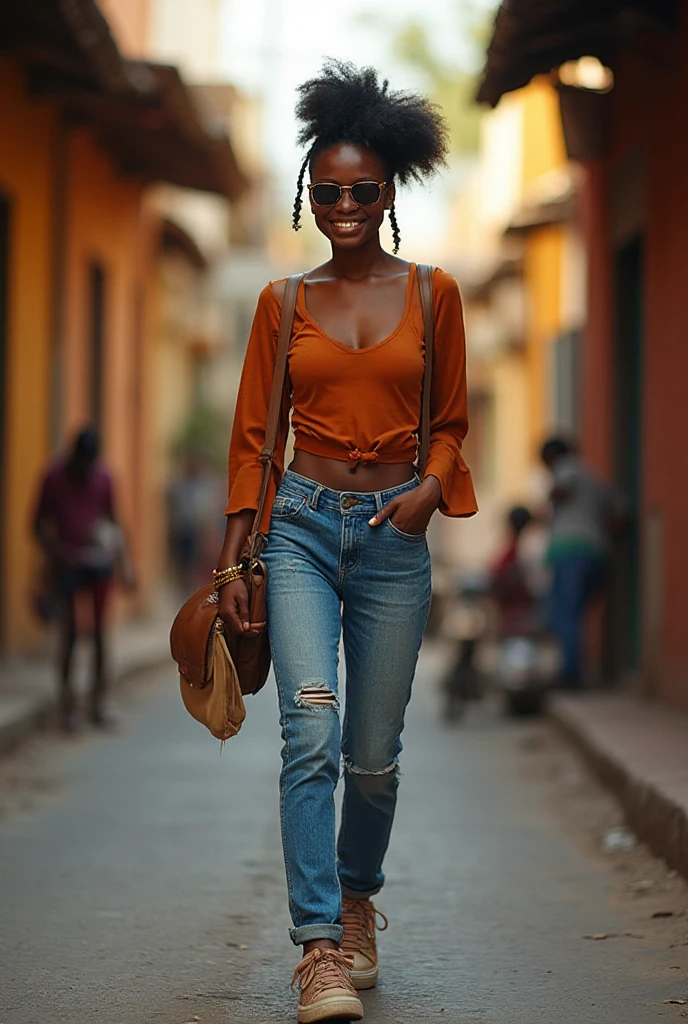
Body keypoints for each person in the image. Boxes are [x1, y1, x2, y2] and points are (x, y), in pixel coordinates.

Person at [216, 62, 477, 1023]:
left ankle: (359, 896)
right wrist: (234, 562)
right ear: (308, 194)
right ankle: (319, 948)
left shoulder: (435, 292)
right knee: (311, 732)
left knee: (372, 755)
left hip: (393, 539)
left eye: (364, 191)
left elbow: (451, 425)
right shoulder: (281, 304)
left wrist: (427, 494)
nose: (346, 207)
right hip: (300, 535)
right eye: (328, 192)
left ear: (391, 191)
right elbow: (254, 441)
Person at [33, 427, 131, 731]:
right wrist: (58, 554)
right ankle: (67, 706)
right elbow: (37, 524)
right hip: (67, 566)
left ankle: (99, 703)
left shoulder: (103, 478)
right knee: (71, 634)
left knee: (101, 632)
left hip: (98, 564)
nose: (84, 468)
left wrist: (124, 563)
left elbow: (114, 521)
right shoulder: (54, 477)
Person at [540, 436, 627, 688]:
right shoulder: (595, 478)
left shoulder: (566, 467)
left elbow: (560, 489)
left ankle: (571, 675)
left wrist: (551, 499)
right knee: (574, 616)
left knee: (565, 615)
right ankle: (577, 669)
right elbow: (621, 510)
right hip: (596, 554)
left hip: (570, 554)